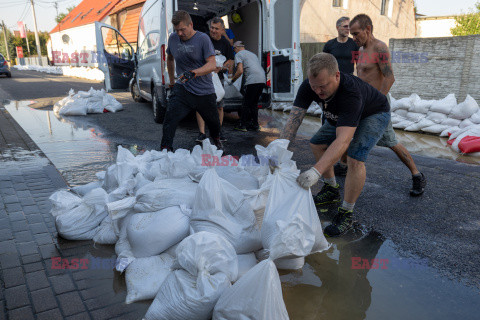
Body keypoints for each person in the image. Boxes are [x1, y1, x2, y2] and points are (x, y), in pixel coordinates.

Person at [281, 53, 390, 237]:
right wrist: (279, 151)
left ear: (337, 75)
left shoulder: (350, 93)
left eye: (323, 86)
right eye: (314, 87)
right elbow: (294, 120)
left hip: (374, 113)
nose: (318, 92)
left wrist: (315, 171)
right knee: (317, 143)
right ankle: (331, 189)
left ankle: (346, 212)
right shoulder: (310, 86)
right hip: (342, 114)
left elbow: (343, 141)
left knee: (355, 156)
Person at [349, 14, 426, 196]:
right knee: (349, 133)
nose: (354, 38)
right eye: (352, 34)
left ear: (368, 30)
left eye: (356, 33)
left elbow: (389, 78)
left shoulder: (380, 48)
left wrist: (377, 102)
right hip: (363, 103)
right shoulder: (359, 52)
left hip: (377, 104)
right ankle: (345, 166)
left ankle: (417, 175)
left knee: (391, 141)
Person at [160, 10, 223, 151]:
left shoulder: (203, 39)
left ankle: (217, 140)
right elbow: (169, 58)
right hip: (183, 88)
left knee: (214, 123)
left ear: (191, 25)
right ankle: (165, 148)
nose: (180, 33)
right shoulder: (173, 38)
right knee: (170, 118)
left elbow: (212, 64)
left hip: (204, 91)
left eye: (183, 29)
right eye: (177, 30)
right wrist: (171, 82)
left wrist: (194, 73)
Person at [323, 16, 360, 175]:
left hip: (348, 86)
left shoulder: (354, 44)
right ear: (338, 27)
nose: (348, 30)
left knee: (346, 124)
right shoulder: (330, 45)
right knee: (328, 121)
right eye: (345, 26)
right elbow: (323, 64)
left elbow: (359, 65)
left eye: (349, 27)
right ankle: (327, 158)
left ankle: (343, 163)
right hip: (331, 87)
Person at [195, 17, 235, 143]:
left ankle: (218, 131)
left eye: (216, 28)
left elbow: (231, 60)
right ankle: (202, 133)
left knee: (219, 106)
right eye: (212, 27)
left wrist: (222, 67)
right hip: (204, 77)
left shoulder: (225, 43)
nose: (213, 30)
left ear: (222, 30)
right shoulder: (203, 38)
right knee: (201, 105)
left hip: (219, 78)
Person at [230, 41, 266, 132]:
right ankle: (255, 125)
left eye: (234, 49)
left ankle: (242, 125)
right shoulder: (253, 54)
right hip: (262, 79)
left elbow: (240, 71)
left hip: (253, 80)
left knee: (246, 104)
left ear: (237, 47)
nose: (234, 51)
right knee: (254, 104)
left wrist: (232, 80)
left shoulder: (239, 54)